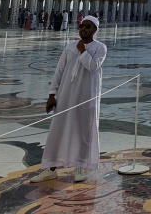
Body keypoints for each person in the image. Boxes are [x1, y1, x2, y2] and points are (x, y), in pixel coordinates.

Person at [29, 15, 107, 183]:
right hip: (66, 95)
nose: (83, 29)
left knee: (83, 130)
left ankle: (80, 167)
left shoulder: (100, 48)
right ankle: (50, 168)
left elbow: (93, 66)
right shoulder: (69, 48)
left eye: (88, 26)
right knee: (57, 130)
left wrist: (82, 51)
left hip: (87, 97)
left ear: (95, 30)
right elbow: (59, 71)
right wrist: (52, 94)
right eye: (81, 26)